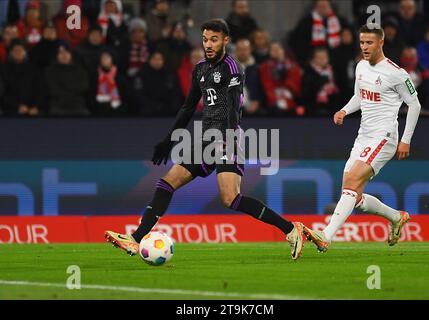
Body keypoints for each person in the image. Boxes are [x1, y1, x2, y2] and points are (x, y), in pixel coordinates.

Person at [105, 19, 305, 261]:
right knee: (166, 183)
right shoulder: (200, 68)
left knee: (230, 198)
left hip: (228, 136)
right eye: (205, 39)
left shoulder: (233, 68)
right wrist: (169, 140)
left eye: (214, 39)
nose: (208, 44)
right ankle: (135, 239)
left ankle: (291, 230)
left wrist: (227, 140)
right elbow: (188, 107)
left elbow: (232, 109)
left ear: (225, 41)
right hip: (206, 138)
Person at [302, 24, 421, 252]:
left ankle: (326, 235)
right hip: (363, 136)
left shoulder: (396, 73)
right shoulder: (360, 67)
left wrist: (406, 139)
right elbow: (359, 95)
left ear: (381, 43)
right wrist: (345, 110)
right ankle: (396, 217)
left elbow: (414, 104)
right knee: (351, 191)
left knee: (353, 179)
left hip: (384, 136)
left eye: (369, 42)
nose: (365, 47)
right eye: (362, 42)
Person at [288, 0, 348, 65]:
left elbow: (349, 39)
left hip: (336, 60)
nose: (323, 9)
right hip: (312, 61)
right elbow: (297, 41)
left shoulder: (340, 21)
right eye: (320, 6)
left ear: (330, 7)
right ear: (315, 7)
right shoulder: (307, 22)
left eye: (325, 6)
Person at [44, 43, 90, 115]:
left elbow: (84, 87)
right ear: (56, 55)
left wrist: (64, 84)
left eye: (66, 52)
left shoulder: (80, 70)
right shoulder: (50, 71)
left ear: (71, 54)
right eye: (61, 53)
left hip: (78, 106)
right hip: (58, 106)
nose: (64, 55)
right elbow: (53, 89)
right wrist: (73, 87)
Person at [259, 42, 303, 116]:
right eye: (273, 49)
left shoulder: (293, 66)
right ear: (269, 52)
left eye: (278, 49)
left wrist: (285, 78)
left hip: (291, 102)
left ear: (283, 51)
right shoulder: (264, 67)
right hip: (272, 102)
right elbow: (267, 86)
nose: (276, 51)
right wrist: (276, 100)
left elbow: (296, 88)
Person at [0, 39, 40, 116]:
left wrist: (36, 107)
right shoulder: (3, 69)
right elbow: (3, 93)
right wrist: (17, 106)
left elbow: (40, 90)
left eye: (20, 50)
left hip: (33, 111)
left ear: (25, 52)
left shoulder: (34, 69)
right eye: (15, 50)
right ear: (10, 53)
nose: (18, 52)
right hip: (8, 112)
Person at [302, 47, 339, 116]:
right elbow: (306, 93)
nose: (323, 60)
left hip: (332, 106)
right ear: (313, 59)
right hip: (314, 108)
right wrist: (320, 82)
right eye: (319, 57)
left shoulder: (332, 71)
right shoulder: (308, 72)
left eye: (325, 57)